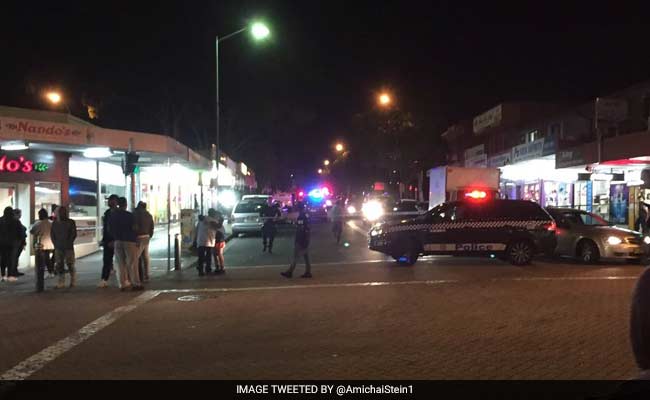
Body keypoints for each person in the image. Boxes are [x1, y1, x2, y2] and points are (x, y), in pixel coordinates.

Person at [109, 197, 143, 291]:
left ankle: (122, 284)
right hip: (129, 240)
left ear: (118, 204)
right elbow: (135, 228)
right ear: (126, 204)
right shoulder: (130, 215)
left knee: (120, 264)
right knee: (132, 262)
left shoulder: (113, 216)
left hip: (118, 241)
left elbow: (109, 229)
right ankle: (136, 283)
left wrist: (113, 238)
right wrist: (136, 237)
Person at [281, 202, 312, 279]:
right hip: (305, 238)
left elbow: (301, 228)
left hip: (301, 238)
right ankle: (308, 271)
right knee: (306, 256)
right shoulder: (305, 215)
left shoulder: (301, 216)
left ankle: (290, 271)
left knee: (296, 256)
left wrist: (300, 240)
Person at [51, 206, 77, 289]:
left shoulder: (71, 222)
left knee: (70, 264)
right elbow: (52, 235)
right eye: (60, 212)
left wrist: (68, 242)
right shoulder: (54, 223)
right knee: (59, 265)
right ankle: (61, 282)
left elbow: (73, 234)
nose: (61, 213)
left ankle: (73, 281)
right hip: (58, 247)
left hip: (68, 247)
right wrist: (55, 244)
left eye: (63, 211)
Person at [98, 194, 119, 288]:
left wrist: (115, 240)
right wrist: (104, 240)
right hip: (107, 241)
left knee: (120, 261)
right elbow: (105, 228)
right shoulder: (107, 213)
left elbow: (119, 228)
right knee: (106, 261)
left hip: (117, 240)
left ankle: (124, 279)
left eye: (112, 201)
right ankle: (104, 279)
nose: (110, 202)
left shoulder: (119, 213)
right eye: (109, 200)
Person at [30, 209, 55, 280]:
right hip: (51, 243)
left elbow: (32, 232)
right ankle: (50, 272)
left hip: (41, 244)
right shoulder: (51, 223)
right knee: (47, 258)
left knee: (42, 260)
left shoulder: (38, 224)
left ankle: (47, 272)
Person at [0, 207, 23, 282]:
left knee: (3, 259)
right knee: (11, 259)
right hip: (12, 243)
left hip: (2, 243)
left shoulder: (0, 220)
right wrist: (20, 240)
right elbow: (20, 232)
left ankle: (3, 275)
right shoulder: (15, 221)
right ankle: (10, 275)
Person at [134, 201, 154, 283]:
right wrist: (150, 235)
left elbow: (134, 226)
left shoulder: (136, 214)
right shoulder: (149, 215)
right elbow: (152, 227)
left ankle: (138, 276)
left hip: (139, 236)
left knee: (136, 257)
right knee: (145, 256)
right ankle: (147, 274)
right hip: (147, 236)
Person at [12, 209, 27, 277]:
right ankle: (13, 271)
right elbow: (21, 231)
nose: (21, 215)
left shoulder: (16, 221)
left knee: (15, 257)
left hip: (17, 242)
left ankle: (14, 271)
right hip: (17, 242)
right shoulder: (16, 221)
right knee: (15, 257)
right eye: (20, 214)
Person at [212, 209, 226, 274]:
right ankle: (218, 267)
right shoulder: (217, 222)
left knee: (219, 254)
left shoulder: (219, 223)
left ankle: (221, 268)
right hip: (217, 240)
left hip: (219, 240)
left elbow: (217, 226)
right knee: (216, 254)